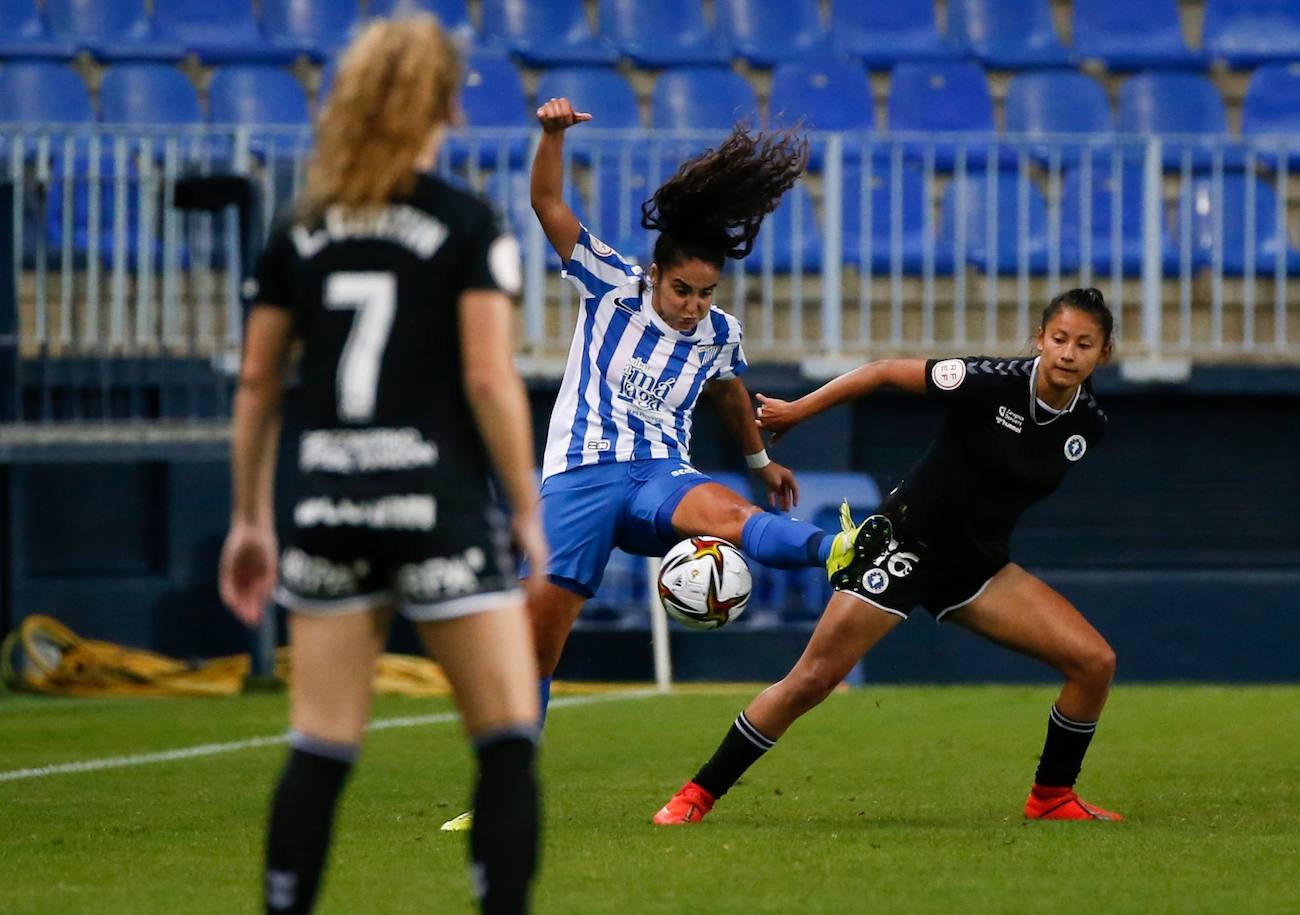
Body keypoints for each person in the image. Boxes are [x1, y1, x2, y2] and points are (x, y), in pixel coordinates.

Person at [438, 97, 890, 832]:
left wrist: (758, 458)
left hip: (656, 473)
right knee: (536, 638)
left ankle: (836, 547)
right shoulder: (609, 284)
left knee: (732, 515)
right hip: (579, 476)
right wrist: (549, 136)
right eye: (683, 289)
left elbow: (728, 388)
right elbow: (547, 200)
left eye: (706, 293)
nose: (692, 306)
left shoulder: (717, 332)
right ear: (655, 276)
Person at [218, 16, 543, 914]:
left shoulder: (299, 228)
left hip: (325, 502)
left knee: (320, 744)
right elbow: (487, 376)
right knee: (507, 737)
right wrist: (523, 507)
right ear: (446, 102)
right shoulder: (465, 222)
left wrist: (252, 518)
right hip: (433, 502)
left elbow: (256, 382)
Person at [653, 288, 1125, 825]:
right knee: (811, 681)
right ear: (1039, 339)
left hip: (976, 568)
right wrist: (797, 411)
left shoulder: (1088, 425)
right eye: (1059, 339)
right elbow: (880, 372)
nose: (1068, 353)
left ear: (1102, 353)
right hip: (900, 549)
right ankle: (696, 795)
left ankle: (1052, 798)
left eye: (1083, 344)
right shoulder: (988, 381)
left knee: (1094, 664)